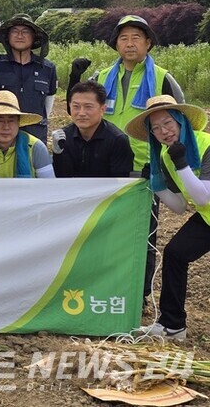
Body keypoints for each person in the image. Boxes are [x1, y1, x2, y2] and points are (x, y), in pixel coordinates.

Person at [76, 15, 184, 298]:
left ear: (148, 42)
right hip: (106, 166)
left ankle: (140, 293)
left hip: (146, 167)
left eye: (137, 37)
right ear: (116, 45)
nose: (130, 43)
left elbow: (179, 121)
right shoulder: (100, 79)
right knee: (101, 228)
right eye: (123, 38)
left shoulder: (162, 78)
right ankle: (100, 285)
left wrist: (173, 164)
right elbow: (82, 112)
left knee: (142, 232)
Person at [125, 96, 210, 340]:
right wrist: (157, 184)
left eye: (168, 123)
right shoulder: (165, 156)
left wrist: (181, 164)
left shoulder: (206, 146)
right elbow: (181, 206)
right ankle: (173, 325)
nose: (164, 132)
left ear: (181, 121)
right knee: (175, 253)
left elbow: (203, 197)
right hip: (207, 219)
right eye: (156, 128)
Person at [0, 14, 56, 144]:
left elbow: (47, 105)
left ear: (34, 37)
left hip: (34, 137)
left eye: (25, 31)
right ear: (8, 36)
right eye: (15, 31)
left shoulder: (47, 68)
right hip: (1, 136)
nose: (20, 35)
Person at [51, 81, 134, 178]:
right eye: (76, 106)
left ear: (102, 109)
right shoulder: (64, 137)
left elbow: (120, 184)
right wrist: (57, 154)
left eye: (88, 107)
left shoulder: (117, 140)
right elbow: (60, 178)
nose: (81, 113)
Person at [0, 91, 55, 179]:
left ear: (18, 122)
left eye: (11, 121)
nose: (6, 127)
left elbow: (49, 187)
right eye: (0, 120)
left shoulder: (35, 148)